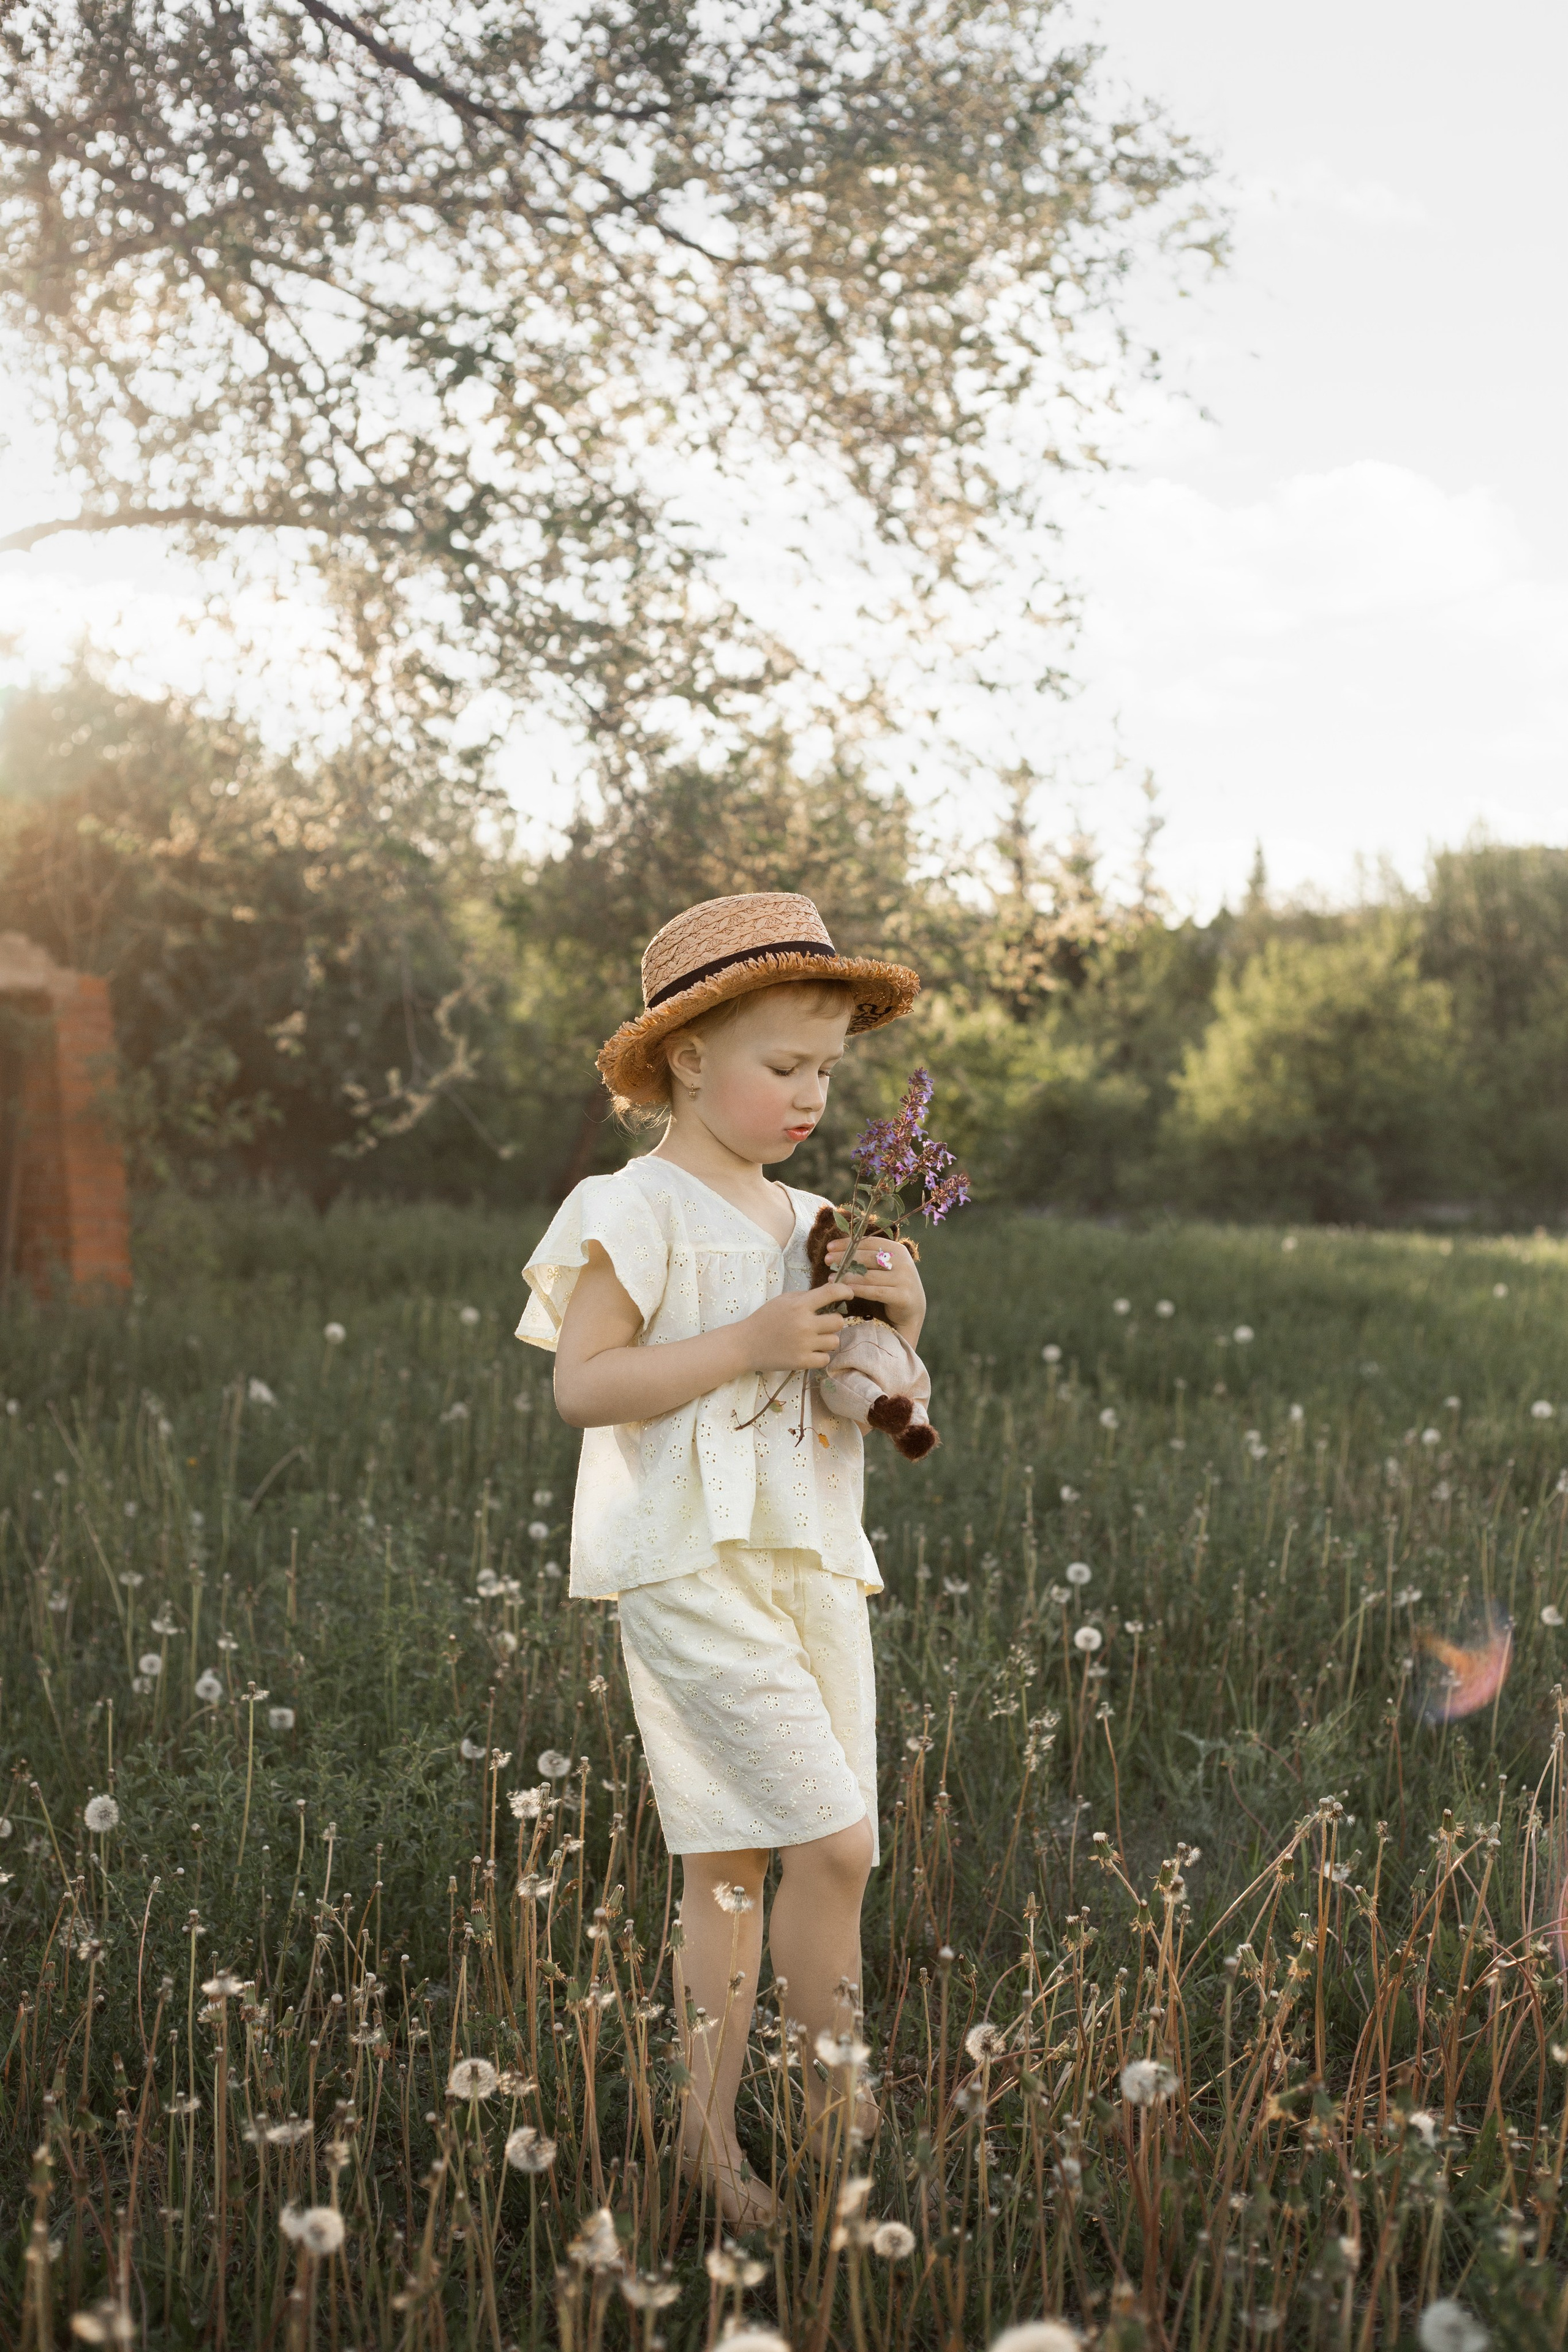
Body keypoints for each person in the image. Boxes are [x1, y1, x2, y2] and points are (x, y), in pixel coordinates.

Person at [516, 891, 924, 2228]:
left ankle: (742, 2132)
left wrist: (895, 1328)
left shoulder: (813, 1218)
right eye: (784, 1066)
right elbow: (584, 1386)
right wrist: (749, 1340)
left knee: (740, 1865)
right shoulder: (631, 1207)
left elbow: (850, 1401)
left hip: (808, 1562)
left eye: (826, 1070)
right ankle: (825, 2120)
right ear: (689, 1058)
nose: (813, 1094)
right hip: (688, 1565)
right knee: (836, 1844)